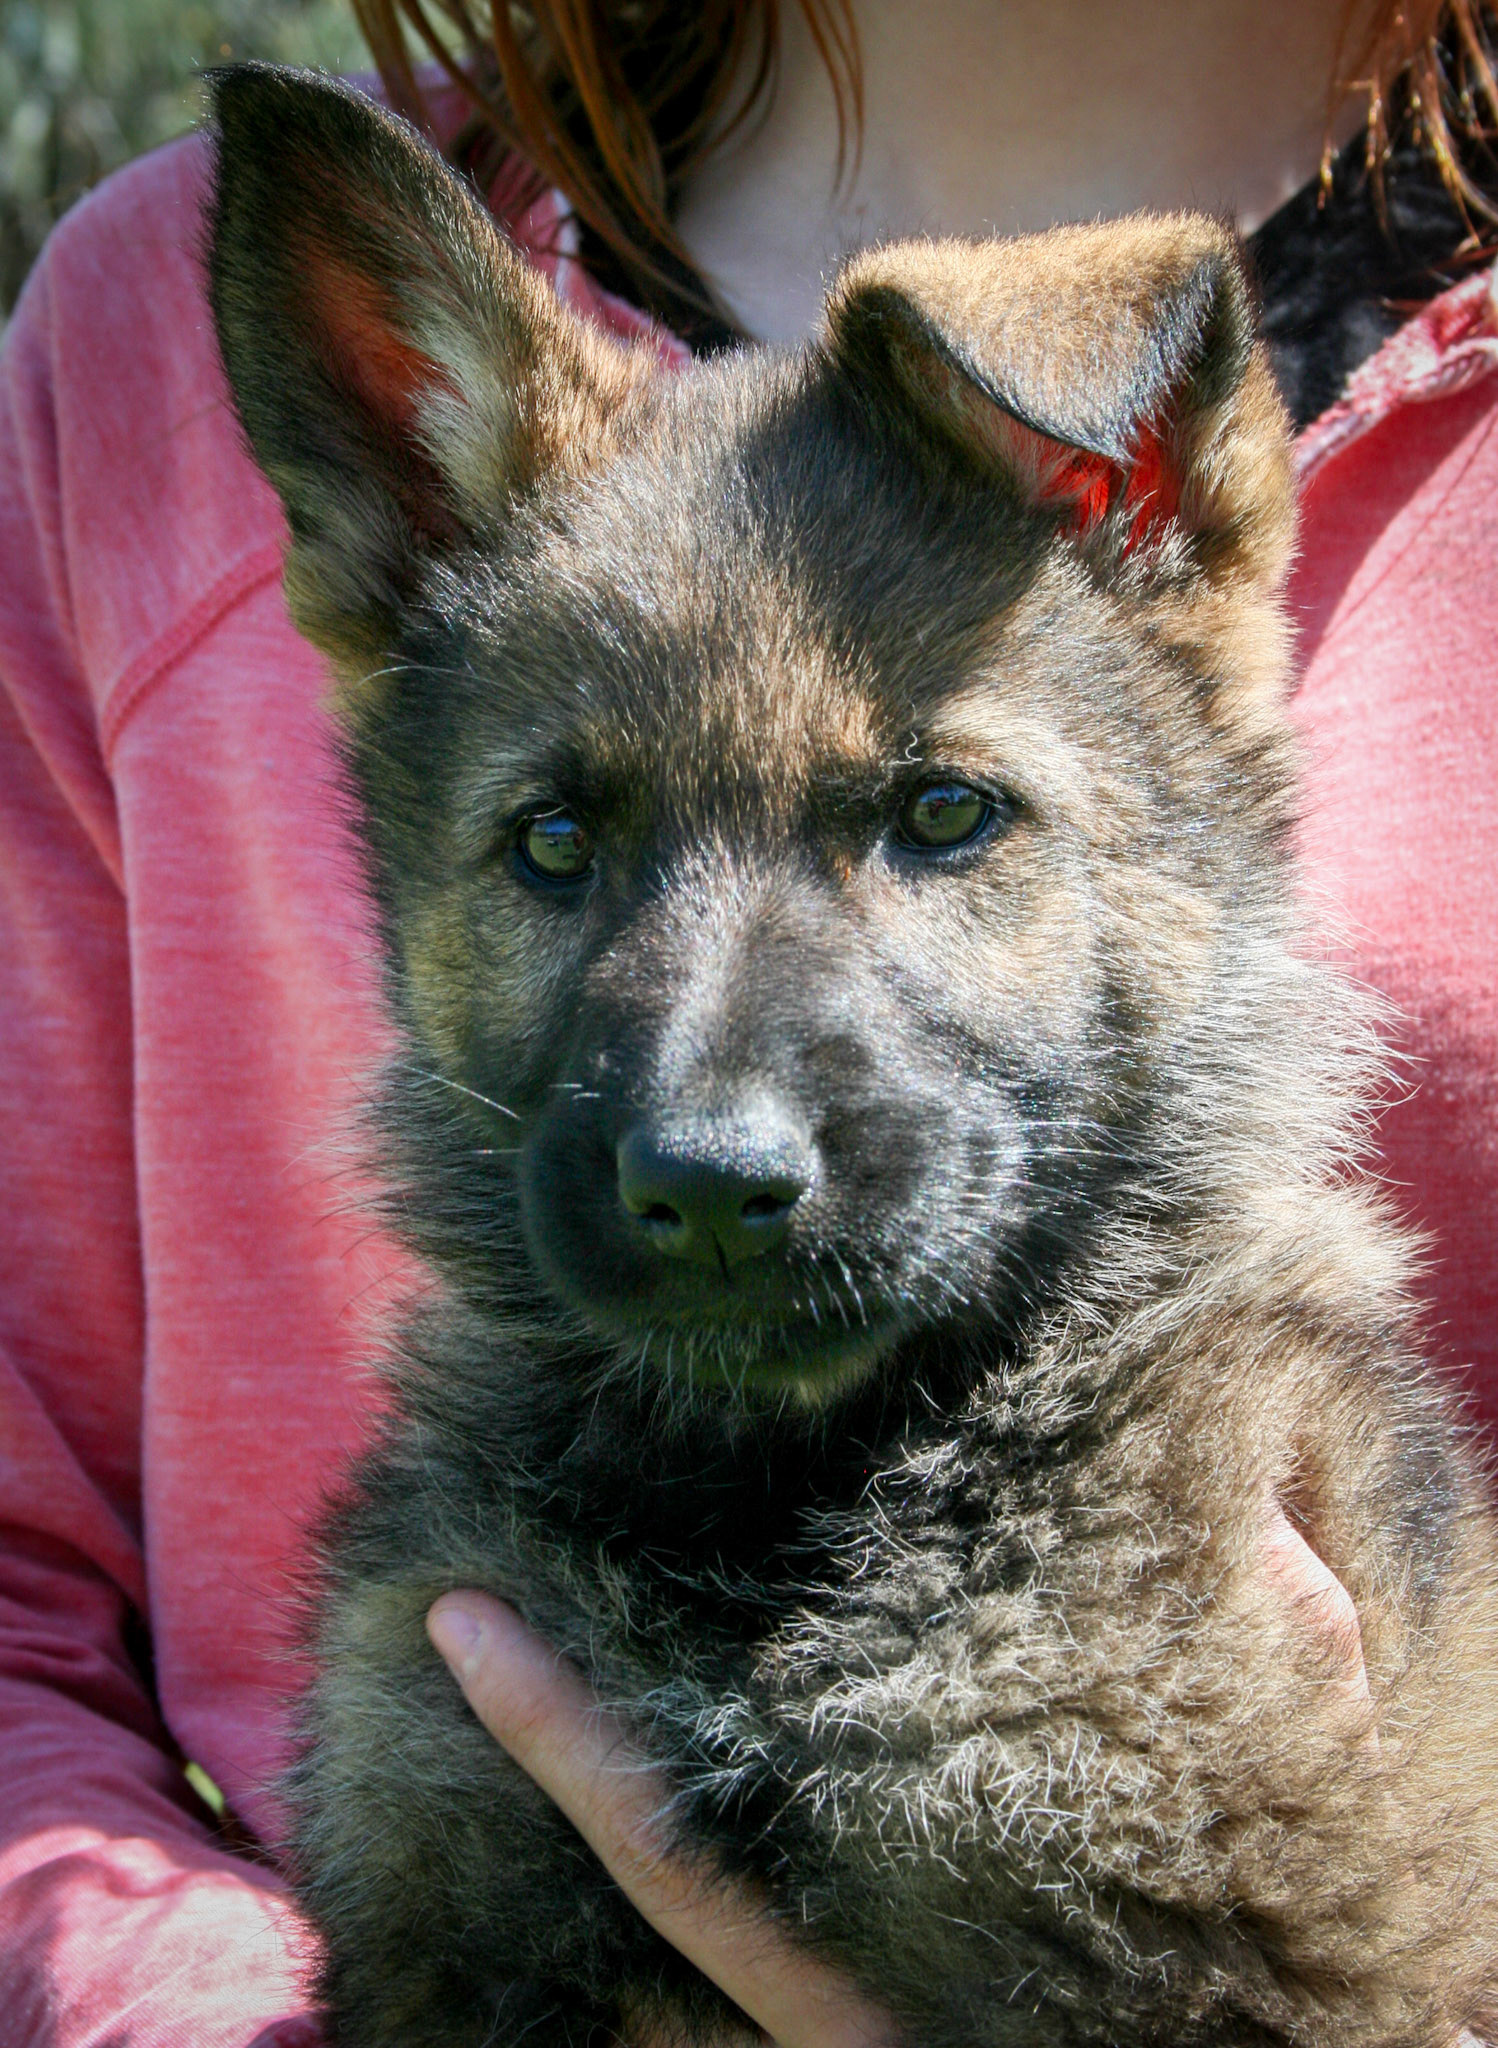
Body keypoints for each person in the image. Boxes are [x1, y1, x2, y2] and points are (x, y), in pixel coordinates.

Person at [1, 3, 1494, 2042]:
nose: (711, 1104)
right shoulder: (129, 367)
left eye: (939, 815)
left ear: (1151, 503)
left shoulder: (1077, 438)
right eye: (555, 843)